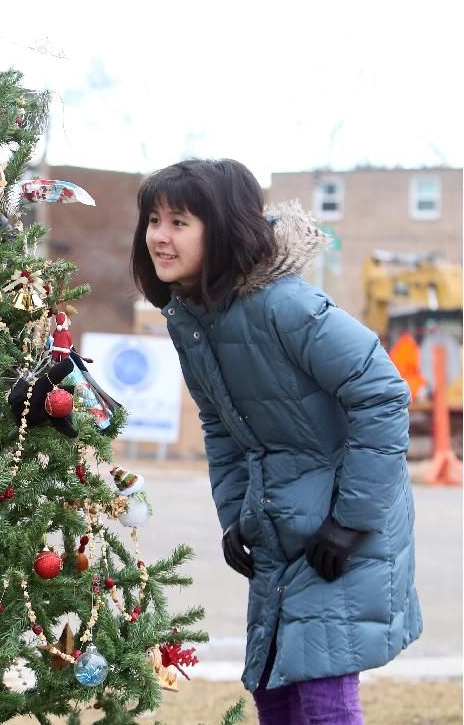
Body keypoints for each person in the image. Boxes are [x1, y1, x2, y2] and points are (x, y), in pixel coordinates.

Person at [129, 158, 421, 724]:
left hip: (341, 524)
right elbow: (221, 425)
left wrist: (350, 521)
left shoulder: (287, 305)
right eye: (154, 221)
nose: (159, 237)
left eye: (179, 222)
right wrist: (234, 515)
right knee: (274, 693)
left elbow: (384, 394)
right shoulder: (191, 318)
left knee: (324, 697)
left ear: (222, 228)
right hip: (277, 521)